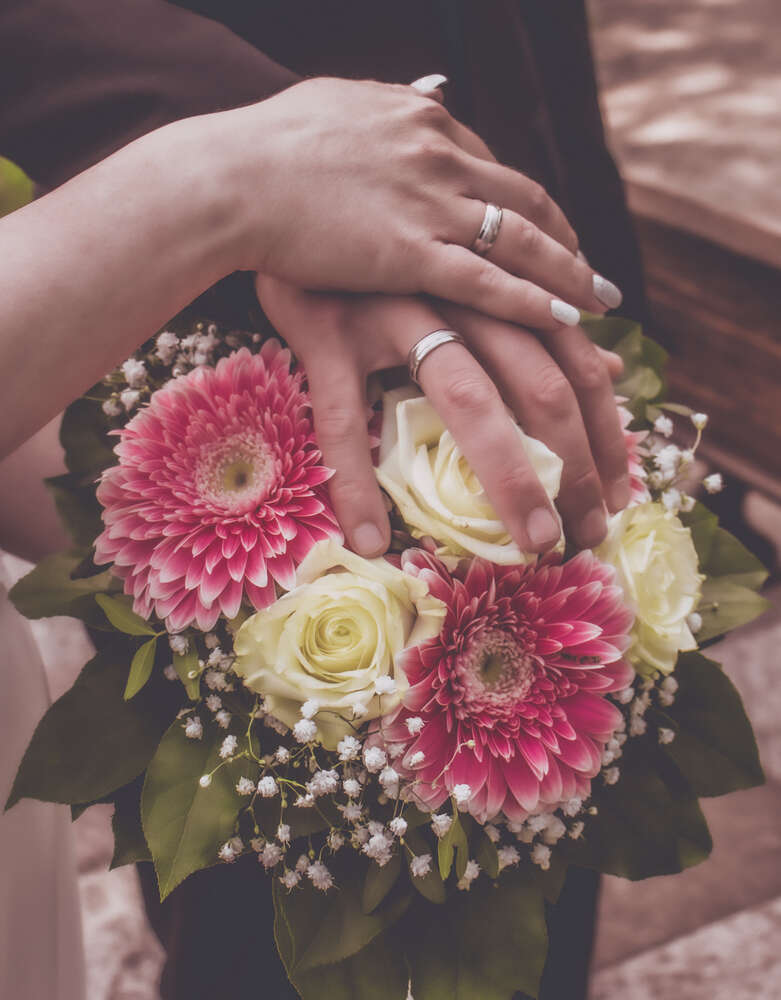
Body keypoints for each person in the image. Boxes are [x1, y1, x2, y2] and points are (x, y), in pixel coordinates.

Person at [0, 1, 647, 996]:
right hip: (220, 292)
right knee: (271, 916)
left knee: (543, 836)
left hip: (467, 205)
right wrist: (244, 168)